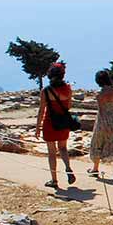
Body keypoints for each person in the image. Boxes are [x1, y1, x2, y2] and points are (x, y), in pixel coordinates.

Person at [35, 61, 76, 189]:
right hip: (63, 122)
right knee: (63, 148)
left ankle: (54, 180)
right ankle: (68, 168)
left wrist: (38, 126)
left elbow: (42, 110)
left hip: (50, 123)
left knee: (51, 152)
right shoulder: (68, 89)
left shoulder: (46, 91)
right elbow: (69, 106)